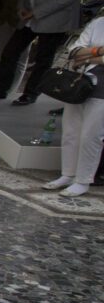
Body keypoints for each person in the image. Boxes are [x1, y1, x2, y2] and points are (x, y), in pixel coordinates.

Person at [41, 14, 104, 197]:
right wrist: (98, 51)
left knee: (91, 135)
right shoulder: (98, 23)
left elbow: (82, 54)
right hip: (80, 82)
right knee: (71, 130)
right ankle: (67, 174)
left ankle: (83, 180)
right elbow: (74, 51)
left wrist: (88, 56)